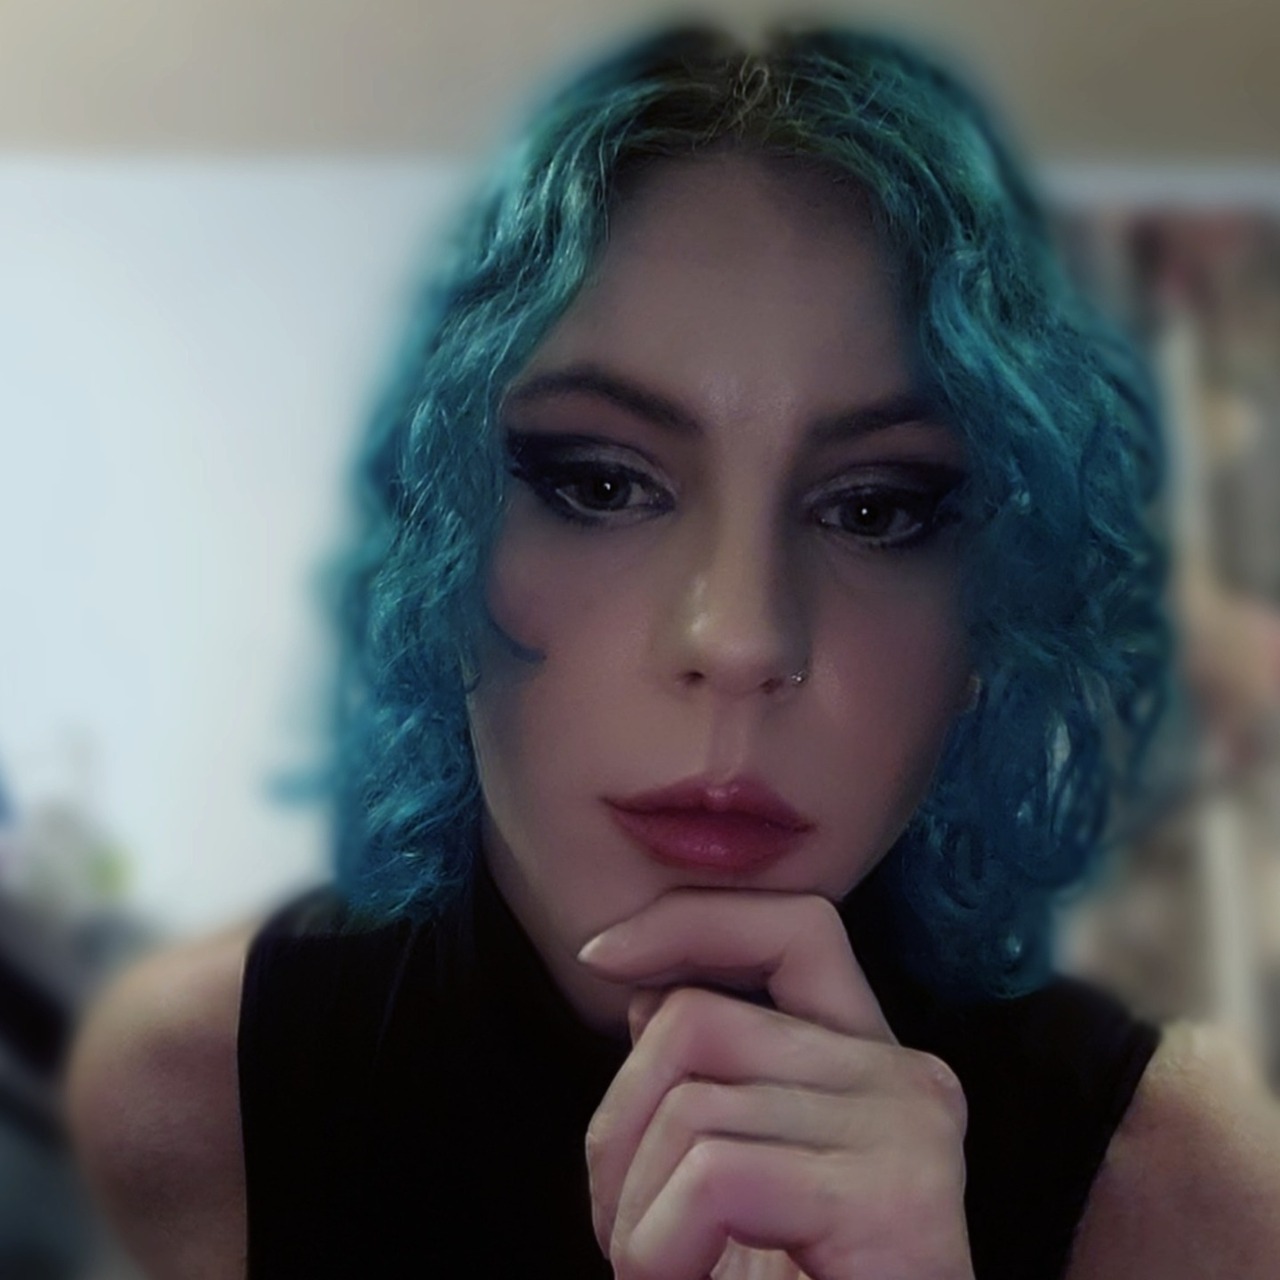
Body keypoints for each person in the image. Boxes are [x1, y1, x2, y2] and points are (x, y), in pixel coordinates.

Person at [65, 23, 1280, 1280]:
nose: (738, 638)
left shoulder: (1177, 1188)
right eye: (598, 482)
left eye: (877, 508)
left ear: (994, 610)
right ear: (441, 535)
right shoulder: (195, 1091)